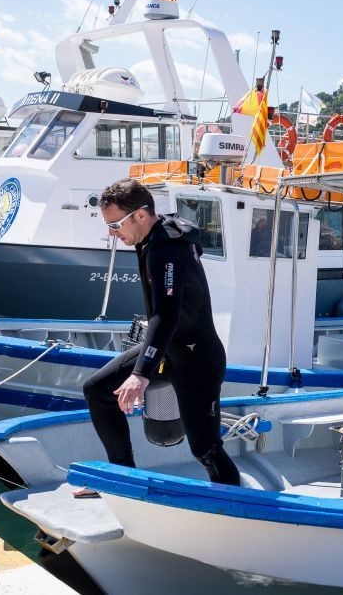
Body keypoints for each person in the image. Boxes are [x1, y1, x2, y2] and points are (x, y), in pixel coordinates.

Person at [77, 179, 239, 497]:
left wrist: (140, 375)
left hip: (197, 360)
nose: (112, 232)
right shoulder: (155, 235)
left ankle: (234, 505)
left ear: (140, 215)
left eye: (115, 224)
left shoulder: (167, 251)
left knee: (205, 448)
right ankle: (124, 478)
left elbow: (166, 317)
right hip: (168, 350)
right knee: (97, 391)